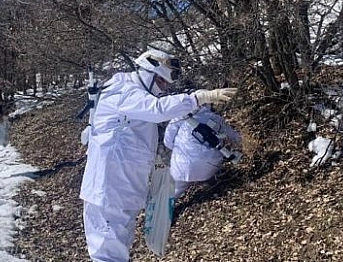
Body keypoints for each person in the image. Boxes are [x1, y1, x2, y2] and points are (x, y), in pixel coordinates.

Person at [79, 49, 237, 261]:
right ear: (148, 73)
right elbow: (157, 109)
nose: (163, 88)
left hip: (122, 189)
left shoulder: (133, 94)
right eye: (161, 82)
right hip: (108, 190)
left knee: (116, 250)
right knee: (107, 254)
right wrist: (198, 98)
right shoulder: (124, 90)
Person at [163, 104, 242, 198]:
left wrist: (179, 149)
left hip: (181, 168)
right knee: (214, 156)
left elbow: (167, 142)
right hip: (209, 167)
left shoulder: (178, 119)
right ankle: (210, 181)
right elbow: (235, 138)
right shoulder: (215, 118)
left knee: (172, 192)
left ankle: (162, 208)